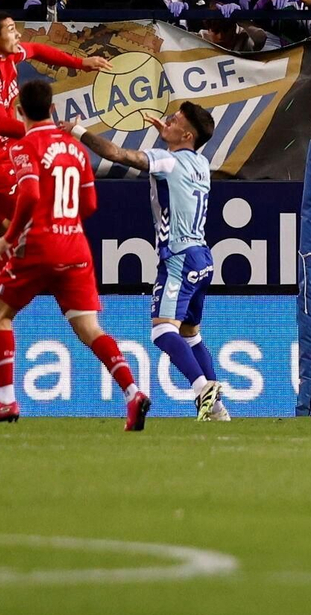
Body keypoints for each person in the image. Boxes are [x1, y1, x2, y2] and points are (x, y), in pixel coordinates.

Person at [0, 82, 148, 431]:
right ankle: (132, 392)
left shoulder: (24, 147)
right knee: (89, 328)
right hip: (76, 249)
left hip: (38, 245)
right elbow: (91, 205)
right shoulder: (76, 149)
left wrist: (9, 237)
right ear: (52, 109)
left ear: (19, 111)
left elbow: (31, 193)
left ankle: (5, 399)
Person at [74, 101, 228, 422]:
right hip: (202, 256)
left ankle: (202, 390)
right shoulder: (201, 163)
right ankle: (216, 409)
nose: (166, 120)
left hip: (179, 259)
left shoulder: (167, 160)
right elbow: (179, 158)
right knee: (190, 333)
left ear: (186, 133)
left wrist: (75, 131)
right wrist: (170, 135)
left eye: (174, 120)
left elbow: (117, 154)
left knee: (162, 333)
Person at [0, 12, 111, 252]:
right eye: (10, 29)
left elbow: (38, 50)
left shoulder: (6, 54)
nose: (17, 33)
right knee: (29, 233)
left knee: (19, 240)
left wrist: (81, 63)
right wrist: (48, 133)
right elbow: (0, 125)